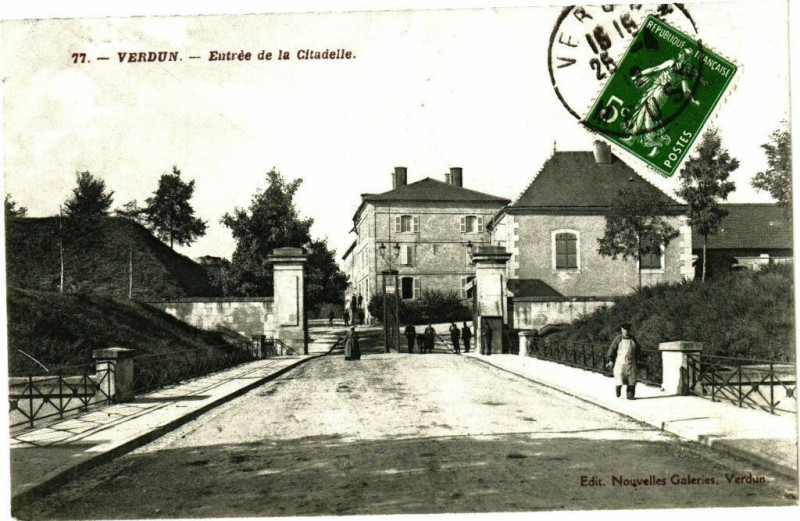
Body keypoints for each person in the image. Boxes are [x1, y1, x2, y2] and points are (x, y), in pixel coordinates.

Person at [606, 323, 641, 400]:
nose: (626, 331)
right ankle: (618, 388)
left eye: (628, 330)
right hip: (620, 362)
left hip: (631, 362)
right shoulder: (618, 339)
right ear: (622, 330)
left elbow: (638, 350)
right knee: (619, 378)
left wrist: (639, 358)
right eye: (625, 330)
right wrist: (611, 360)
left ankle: (630, 395)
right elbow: (612, 349)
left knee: (632, 379)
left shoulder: (633, 339)